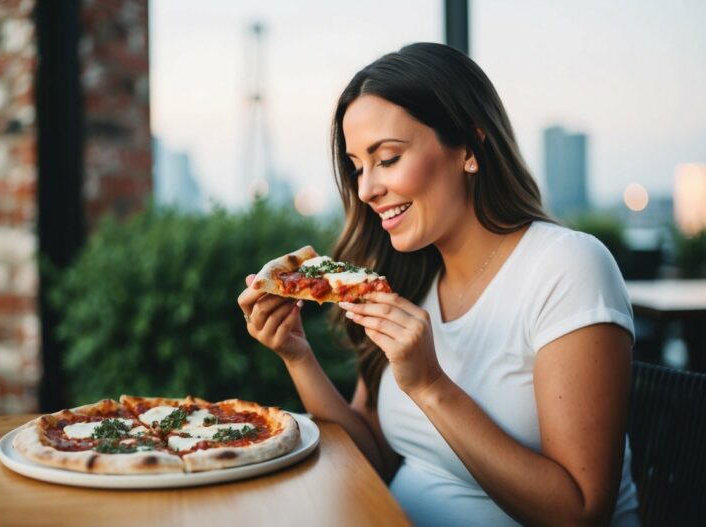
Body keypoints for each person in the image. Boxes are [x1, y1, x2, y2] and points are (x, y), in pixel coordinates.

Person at [237, 42, 639, 526]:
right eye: (357, 166)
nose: (365, 189)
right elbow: (375, 458)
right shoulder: (409, 276)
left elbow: (579, 512)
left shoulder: (568, 266)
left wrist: (429, 385)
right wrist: (297, 354)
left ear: (469, 147)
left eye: (386, 159)